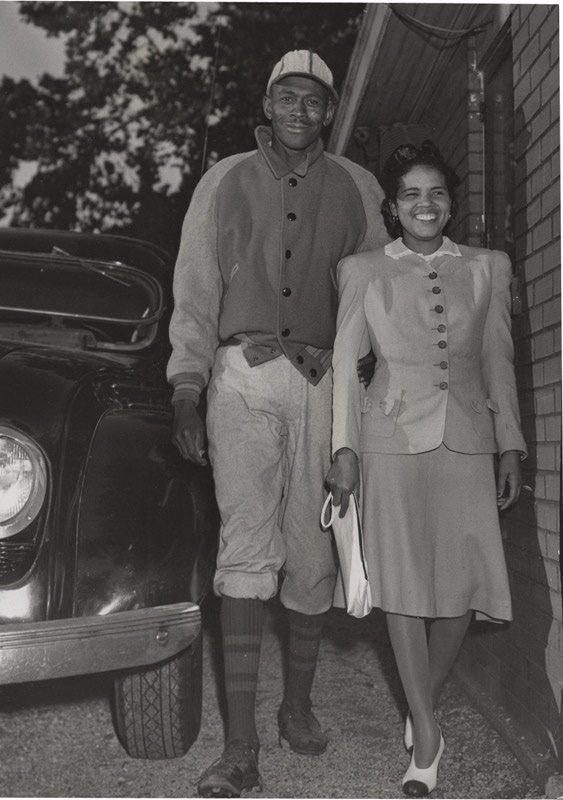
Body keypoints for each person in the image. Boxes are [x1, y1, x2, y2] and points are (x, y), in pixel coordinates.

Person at [167, 50, 389, 797]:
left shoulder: (359, 187)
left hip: (325, 382)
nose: (300, 110)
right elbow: (195, 288)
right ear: (267, 101)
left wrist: (372, 367)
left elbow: (376, 292)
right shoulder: (223, 178)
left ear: (330, 111)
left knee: (314, 556)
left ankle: (296, 705)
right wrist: (186, 387)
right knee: (244, 550)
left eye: (315, 101)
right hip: (243, 377)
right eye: (287, 98)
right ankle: (240, 748)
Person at [326, 140, 527, 798]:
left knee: (462, 589)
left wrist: (509, 445)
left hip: (467, 436)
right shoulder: (359, 271)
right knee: (404, 588)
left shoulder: (487, 267)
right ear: (392, 206)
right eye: (409, 193)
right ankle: (429, 737)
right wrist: (344, 450)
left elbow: (496, 360)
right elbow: (344, 374)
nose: (424, 204)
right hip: (389, 441)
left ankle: (420, 708)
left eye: (435, 192)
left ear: (450, 202)